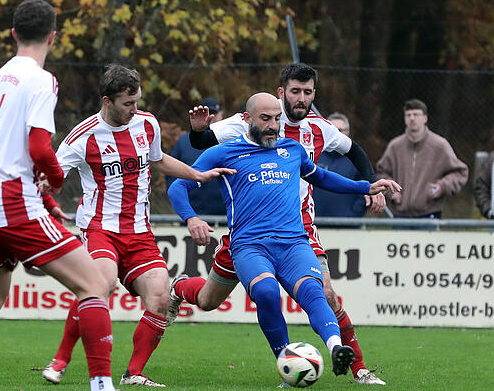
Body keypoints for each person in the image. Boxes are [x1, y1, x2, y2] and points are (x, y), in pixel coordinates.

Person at [0, 0, 117, 391]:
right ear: (53, 36)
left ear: (14, 34)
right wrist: (55, 178)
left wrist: (46, 199)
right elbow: (37, 147)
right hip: (11, 201)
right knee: (95, 286)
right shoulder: (41, 79)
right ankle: (102, 385)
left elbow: (4, 149)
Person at [172, 63, 387, 385]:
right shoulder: (227, 149)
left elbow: (324, 176)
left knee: (318, 291)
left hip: (295, 236)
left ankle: (339, 352)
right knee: (232, 297)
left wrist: (366, 185)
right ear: (250, 118)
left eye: (276, 120)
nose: (274, 126)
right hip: (248, 241)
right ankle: (182, 288)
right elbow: (183, 178)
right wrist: (191, 219)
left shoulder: (295, 147)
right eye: (266, 120)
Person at [42, 64, 234, 388]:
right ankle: (60, 360)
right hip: (100, 228)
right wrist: (45, 194)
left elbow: (159, 159)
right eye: (127, 104)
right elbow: (50, 174)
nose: (135, 109)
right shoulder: (82, 136)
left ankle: (133, 373)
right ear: (107, 101)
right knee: (99, 287)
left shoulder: (147, 124)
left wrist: (197, 174)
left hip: (139, 231)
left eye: (137, 101)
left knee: (159, 298)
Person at [376, 98, 469, 218]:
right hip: (400, 215)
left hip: (429, 214)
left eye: (416, 114)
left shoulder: (440, 145)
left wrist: (442, 186)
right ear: (404, 119)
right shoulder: (395, 146)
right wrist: (391, 192)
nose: (412, 118)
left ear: (425, 118)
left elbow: (460, 172)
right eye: (408, 115)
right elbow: (381, 173)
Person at [164, 97, 226, 215]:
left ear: (221, 115)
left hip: (226, 213)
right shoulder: (184, 142)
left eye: (214, 113)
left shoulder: (231, 141)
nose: (210, 117)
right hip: (193, 213)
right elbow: (171, 174)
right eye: (207, 114)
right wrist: (183, 205)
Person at [314, 113, 368, 218]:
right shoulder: (314, 154)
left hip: (347, 227)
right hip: (314, 223)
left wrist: (352, 215)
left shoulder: (358, 159)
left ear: (348, 133)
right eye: (333, 130)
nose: (336, 134)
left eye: (340, 130)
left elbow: (366, 190)